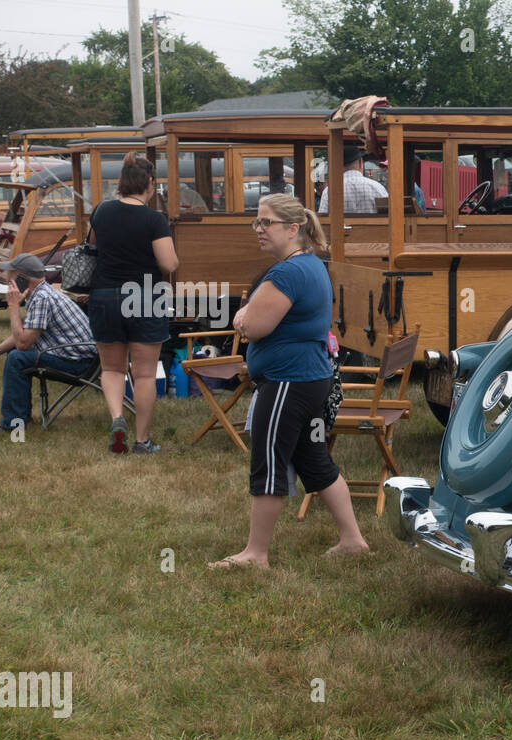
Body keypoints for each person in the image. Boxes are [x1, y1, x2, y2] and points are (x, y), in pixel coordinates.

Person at [208, 193, 369, 569]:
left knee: (268, 460)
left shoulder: (287, 272)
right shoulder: (309, 265)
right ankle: (353, 540)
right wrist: (249, 313)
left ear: (293, 228)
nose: (259, 230)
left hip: (288, 384)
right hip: (309, 380)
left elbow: (254, 324)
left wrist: (244, 318)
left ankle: (255, 554)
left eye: (267, 222)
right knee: (313, 459)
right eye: (257, 222)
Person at [86, 152, 179, 453]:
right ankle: (142, 440)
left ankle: (117, 418)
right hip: (144, 296)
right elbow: (169, 264)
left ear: (122, 183)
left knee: (112, 369)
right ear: (149, 183)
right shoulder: (153, 219)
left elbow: (92, 246)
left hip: (104, 295)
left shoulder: (101, 211)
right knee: (144, 373)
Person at [0, 253, 96, 435]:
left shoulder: (41, 299)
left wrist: (14, 307)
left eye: (10, 274)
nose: (7, 278)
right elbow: (23, 335)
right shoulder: (41, 293)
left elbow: (22, 343)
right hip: (83, 360)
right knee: (17, 354)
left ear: (22, 278)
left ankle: (13, 426)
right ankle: (19, 416)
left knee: (17, 358)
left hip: (80, 365)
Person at [317, 145, 388, 215]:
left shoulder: (329, 191)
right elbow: (388, 216)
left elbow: (324, 220)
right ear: (360, 162)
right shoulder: (377, 187)